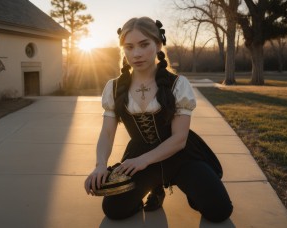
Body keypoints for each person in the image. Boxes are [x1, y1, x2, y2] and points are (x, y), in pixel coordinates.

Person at [84, 17, 233, 223]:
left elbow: (180, 138)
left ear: (158, 44)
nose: (136, 53)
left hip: (181, 155)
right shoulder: (114, 87)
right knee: (114, 210)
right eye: (129, 47)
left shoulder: (178, 85)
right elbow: (107, 132)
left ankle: (189, 187)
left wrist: (143, 161)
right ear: (123, 50)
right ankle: (151, 187)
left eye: (144, 44)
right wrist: (100, 164)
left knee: (219, 211)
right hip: (139, 157)